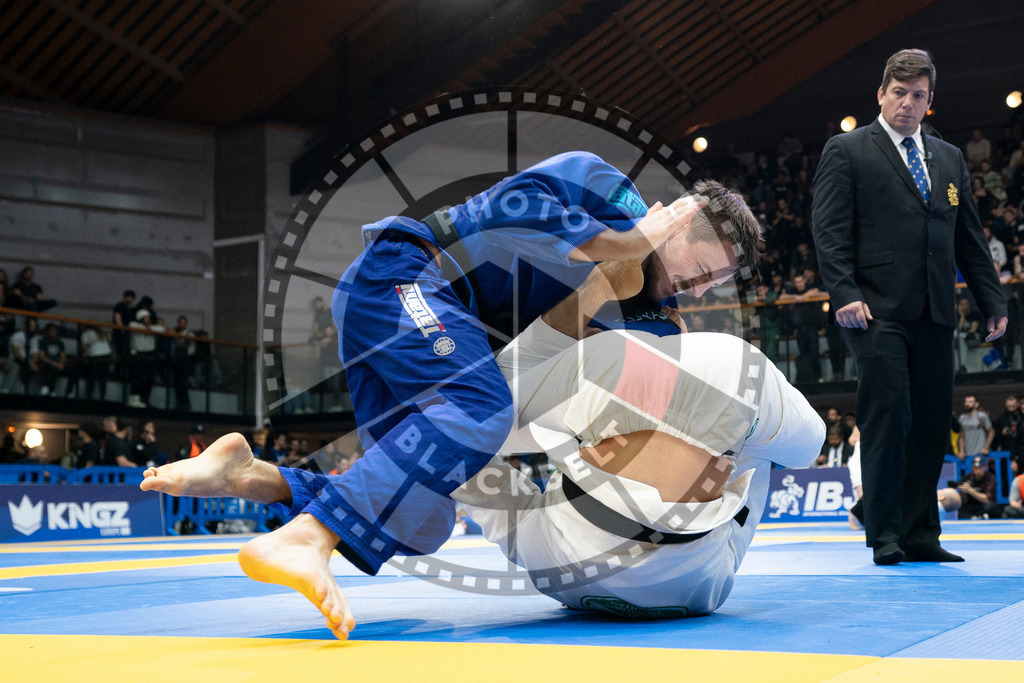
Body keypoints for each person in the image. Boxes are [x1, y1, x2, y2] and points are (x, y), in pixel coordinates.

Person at [140, 259, 821, 636]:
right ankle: (272, 481)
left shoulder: (564, 368)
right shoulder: (725, 359)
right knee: (758, 443)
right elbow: (810, 444)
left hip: (565, 558)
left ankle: (265, 477)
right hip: (693, 569)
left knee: (452, 461)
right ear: (675, 311)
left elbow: (453, 433)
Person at [812, 49, 1008, 565]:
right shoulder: (847, 150)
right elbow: (829, 232)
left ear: (929, 102)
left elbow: (968, 236)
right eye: (898, 92)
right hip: (874, 309)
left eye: (917, 95)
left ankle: (922, 533)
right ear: (881, 94)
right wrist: (845, 292)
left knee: (928, 421)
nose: (906, 103)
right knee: (889, 414)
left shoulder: (946, 158)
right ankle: (885, 533)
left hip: (935, 308)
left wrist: (992, 298)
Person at [33, 323, 66, 397]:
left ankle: (68, 393)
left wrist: (61, 364)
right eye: (50, 331)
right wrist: (53, 363)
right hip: (46, 363)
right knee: (51, 368)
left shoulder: (60, 343)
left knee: (71, 370)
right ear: (47, 332)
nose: (52, 333)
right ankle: (49, 388)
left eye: (54, 331)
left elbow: (63, 356)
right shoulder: (43, 342)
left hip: (57, 364)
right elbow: (42, 356)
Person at [957, 395, 994, 462]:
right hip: (967, 454)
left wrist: (986, 447)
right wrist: (961, 451)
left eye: (970, 402)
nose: (967, 404)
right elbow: (961, 436)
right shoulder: (962, 418)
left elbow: (991, 432)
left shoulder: (982, 416)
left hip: (980, 453)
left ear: (976, 404)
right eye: (966, 402)